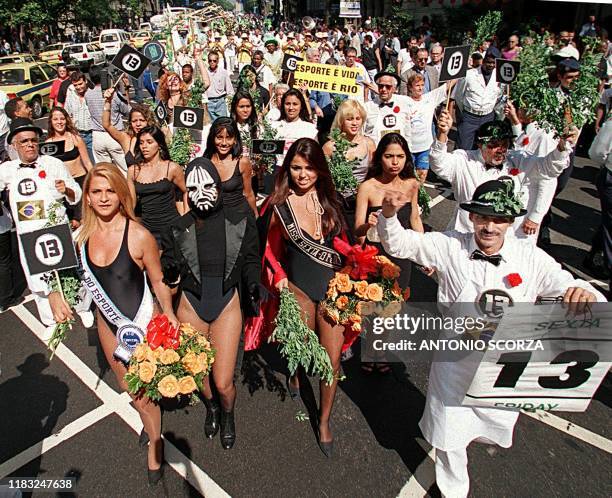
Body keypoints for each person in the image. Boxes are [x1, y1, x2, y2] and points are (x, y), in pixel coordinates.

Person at [376, 177, 606, 498]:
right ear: (471, 217)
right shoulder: (449, 244)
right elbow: (401, 244)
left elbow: (566, 284)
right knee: (448, 433)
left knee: (492, 425)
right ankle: (454, 490)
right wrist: (388, 216)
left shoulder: (531, 258)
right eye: (483, 217)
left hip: (502, 365)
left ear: (510, 222)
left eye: (498, 219)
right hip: (454, 360)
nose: (489, 227)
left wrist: (587, 295)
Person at [49, 163, 178, 485]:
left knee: (148, 390)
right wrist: (54, 294)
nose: (104, 198)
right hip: (109, 328)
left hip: (145, 323)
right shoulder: (80, 238)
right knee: (134, 391)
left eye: (110, 191)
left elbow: (158, 281)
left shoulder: (139, 235)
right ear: (87, 198)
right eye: (96, 191)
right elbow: (62, 277)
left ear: (121, 195)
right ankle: (151, 426)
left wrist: (171, 315)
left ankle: (155, 441)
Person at [246, 138, 351, 457]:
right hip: (300, 291)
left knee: (331, 362)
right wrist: (279, 278)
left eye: (309, 168)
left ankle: (323, 421)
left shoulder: (331, 202)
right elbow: (264, 248)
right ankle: (293, 374)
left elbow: (345, 247)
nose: (303, 174)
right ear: (287, 169)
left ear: (319, 170)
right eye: (295, 168)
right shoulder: (278, 206)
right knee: (302, 349)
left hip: (332, 292)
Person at [160, 157, 261, 450]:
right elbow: (169, 260)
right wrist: (170, 270)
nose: (200, 192)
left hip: (227, 304)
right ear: (186, 192)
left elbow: (252, 259)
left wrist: (254, 283)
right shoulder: (178, 228)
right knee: (198, 374)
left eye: (207, 185)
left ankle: (227, 412)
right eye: (193, 188)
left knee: (223, 382)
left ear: (218, 185)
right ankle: (212, 408)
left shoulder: (241, 221)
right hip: (191, 305)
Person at [0, 118, 92, 337]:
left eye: (33, 140)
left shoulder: (53, 164)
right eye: (24, 141)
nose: (30, 144)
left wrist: (67, 190)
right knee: (37, 278)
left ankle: (82, 307)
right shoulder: (7, 170)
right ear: (14, 145)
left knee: (71, 270)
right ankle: (49, 319)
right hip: (28, 235)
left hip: (58, 229)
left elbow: (76, 194)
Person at [431, 110, 576, 243]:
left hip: (505, 241)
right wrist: (442, 134)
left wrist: (562, 147)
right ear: (480, 144)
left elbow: (549, 169)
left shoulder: (518, 159)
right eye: (494, 145)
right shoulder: (464, 160)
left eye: (505, 144)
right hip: (467, 235)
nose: (501, 150)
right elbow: (439, 164)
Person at [354, 134, 423, 360]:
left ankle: (379, 351)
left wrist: (424, 253)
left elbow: (414, 219)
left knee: (393, 308)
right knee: (373, 308)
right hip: (375, 256)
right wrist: (368, 224)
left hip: (401, 256)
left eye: (400, 157)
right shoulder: (367, 187)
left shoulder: (412, 185)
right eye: (389, 156)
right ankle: (371, 349)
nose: (395, 162)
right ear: (379, 158)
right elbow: (357, 231)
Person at [127, 126, 187, 246]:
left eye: (149, 142)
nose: (144, 146)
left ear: (159, 144)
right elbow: (131, 202)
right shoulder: (133, 170)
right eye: (141, 142)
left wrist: (185, 218)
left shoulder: (172, 168)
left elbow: (186, 191)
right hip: (147, 229)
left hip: (171, 227)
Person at [45, 107, 94, 226]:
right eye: (55, 119)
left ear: (66, 120)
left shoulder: (75, 138)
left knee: (84, 219)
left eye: (62, 119)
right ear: (51, 122)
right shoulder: (48, 144)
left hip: (80, 181)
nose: (59, 122)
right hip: (62, 186)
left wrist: (94, 180)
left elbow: (87, 162)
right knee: (68, 221)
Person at [450, 47, 504, 150]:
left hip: (488, 117)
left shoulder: (499, 77)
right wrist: (466, 113)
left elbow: (499, 98)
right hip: (469, 117)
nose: (491, 65)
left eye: (493, 63)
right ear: (483, 61)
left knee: (484, 149)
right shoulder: (469, 75)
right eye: (488, 62)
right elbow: (459, 96)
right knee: (464, 148)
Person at [203, 117, 257, 218]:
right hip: (213, 220)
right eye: (219, 137)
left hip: (239, 219)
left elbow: (248, 193)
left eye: (228, 138)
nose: (224, 143)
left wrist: (256, 218)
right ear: (212, 138)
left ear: (235, 139)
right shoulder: (205, 163)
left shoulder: (242, 162)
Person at [405, 74, 454, 183]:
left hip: (425, 147)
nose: (420, 88)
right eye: (417, 85)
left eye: (422, 85)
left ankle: (418, 196)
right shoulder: (404, 101)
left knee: (422, 174)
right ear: (409, 87)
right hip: (409, 147)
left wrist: (460, 72)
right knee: (408, 176)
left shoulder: (430, 98)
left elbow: (448, 85)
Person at [84, 68, 129, 171]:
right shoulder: (113, 94)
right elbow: (126, 110)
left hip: (97, 135)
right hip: (115, 133)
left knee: (104, 170)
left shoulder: (88, 94)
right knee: (124, 169)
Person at [102, 89, 157, 168]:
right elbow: (106, 125)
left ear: (148, 121)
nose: (138, 124)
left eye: (142, 120)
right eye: (134, 121)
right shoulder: (126, 139)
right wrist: (108, 101)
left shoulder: (156, 138)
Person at [271, 89, 318, 168]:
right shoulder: (273, 126)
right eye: (287, 104)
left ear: (301, 106)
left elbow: (316, 155)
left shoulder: (309, 128)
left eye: (295, 104)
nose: (291, 107)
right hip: (277, 171)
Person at [363, 71, 411, 145]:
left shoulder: (404, 102)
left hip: (399, 150)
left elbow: (407, 131)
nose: (384, 89)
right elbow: (363, 133)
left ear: (394, 89)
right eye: (381, 86)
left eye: (388, 86)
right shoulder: (368, 107)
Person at [205, 52, 234, 122]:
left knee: (223, 123)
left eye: (214, 61)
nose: (212, 62)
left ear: (217, 61)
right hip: (208, 102)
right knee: (210, 126)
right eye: (210, 60)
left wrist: (229, 103)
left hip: (220, 102)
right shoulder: (205, 72)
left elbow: (230, 90)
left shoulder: (223, 72)